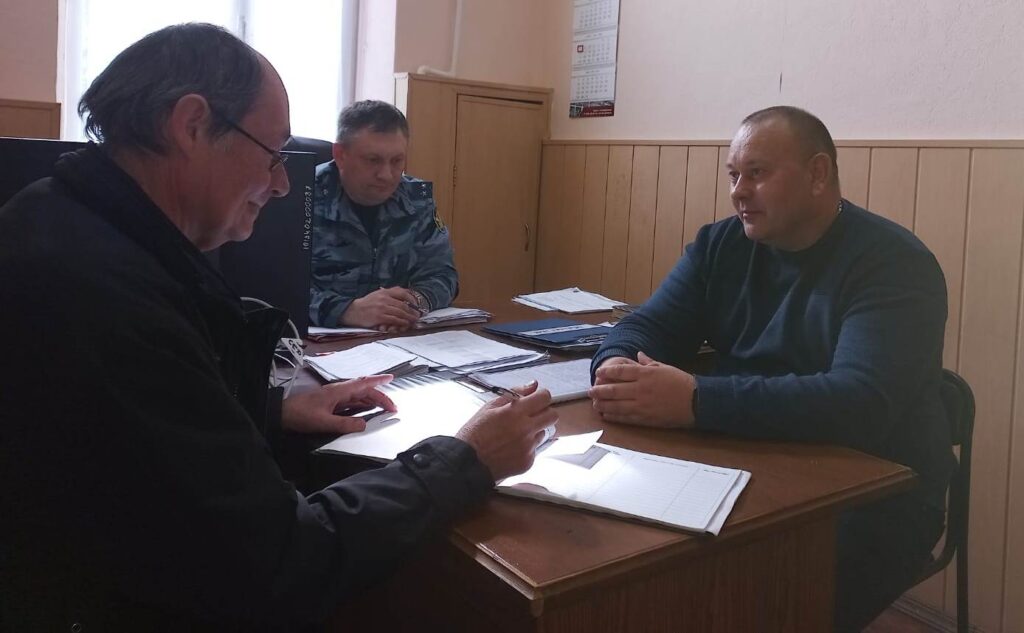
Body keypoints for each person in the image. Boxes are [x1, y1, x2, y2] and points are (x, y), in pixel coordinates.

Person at [0, 24, 556, 631]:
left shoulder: (64, 220)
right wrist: (466, 459)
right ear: (191, 126)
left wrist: (272, 412)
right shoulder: (105, 293)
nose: (283, 183)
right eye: (272, 155)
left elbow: (138, 436)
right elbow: (284, 562)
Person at [588, 106, 956, 632]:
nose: (739, 192)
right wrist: (617, 365)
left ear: (818, 174)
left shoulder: (893, 263)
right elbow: (648, 324)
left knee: (751, 606)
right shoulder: (720, 245)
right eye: (733, 175)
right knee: (626, 565)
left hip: (876, 493)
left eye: (757, 173)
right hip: (745, 460)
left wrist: (696, 401)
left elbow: (859, 403)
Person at [309, 100, 457, 331]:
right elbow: (273, 286)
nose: (386, 175)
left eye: (397, 161)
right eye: (373, 160)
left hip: (396, 340)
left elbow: (443, 274)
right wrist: (346, 310)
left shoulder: (417, 200)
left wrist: (412, 303)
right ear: (340, 154)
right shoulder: (300, 196)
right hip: (318, 344)